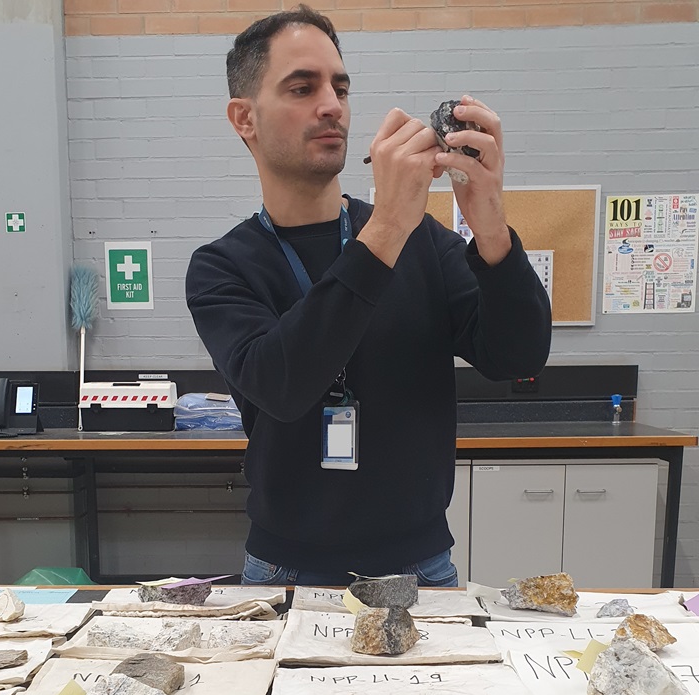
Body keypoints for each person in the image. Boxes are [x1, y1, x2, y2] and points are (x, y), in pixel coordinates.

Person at [186, 5, 551, 587]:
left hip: (420, 566)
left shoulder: (424, 242)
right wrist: (384, 229)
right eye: (302, 87)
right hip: (285, 570)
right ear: (244, 118)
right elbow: (283, 383)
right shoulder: (222, 268)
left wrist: (492, 231)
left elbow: (518, 357)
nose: (331, 104)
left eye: (340, 86)